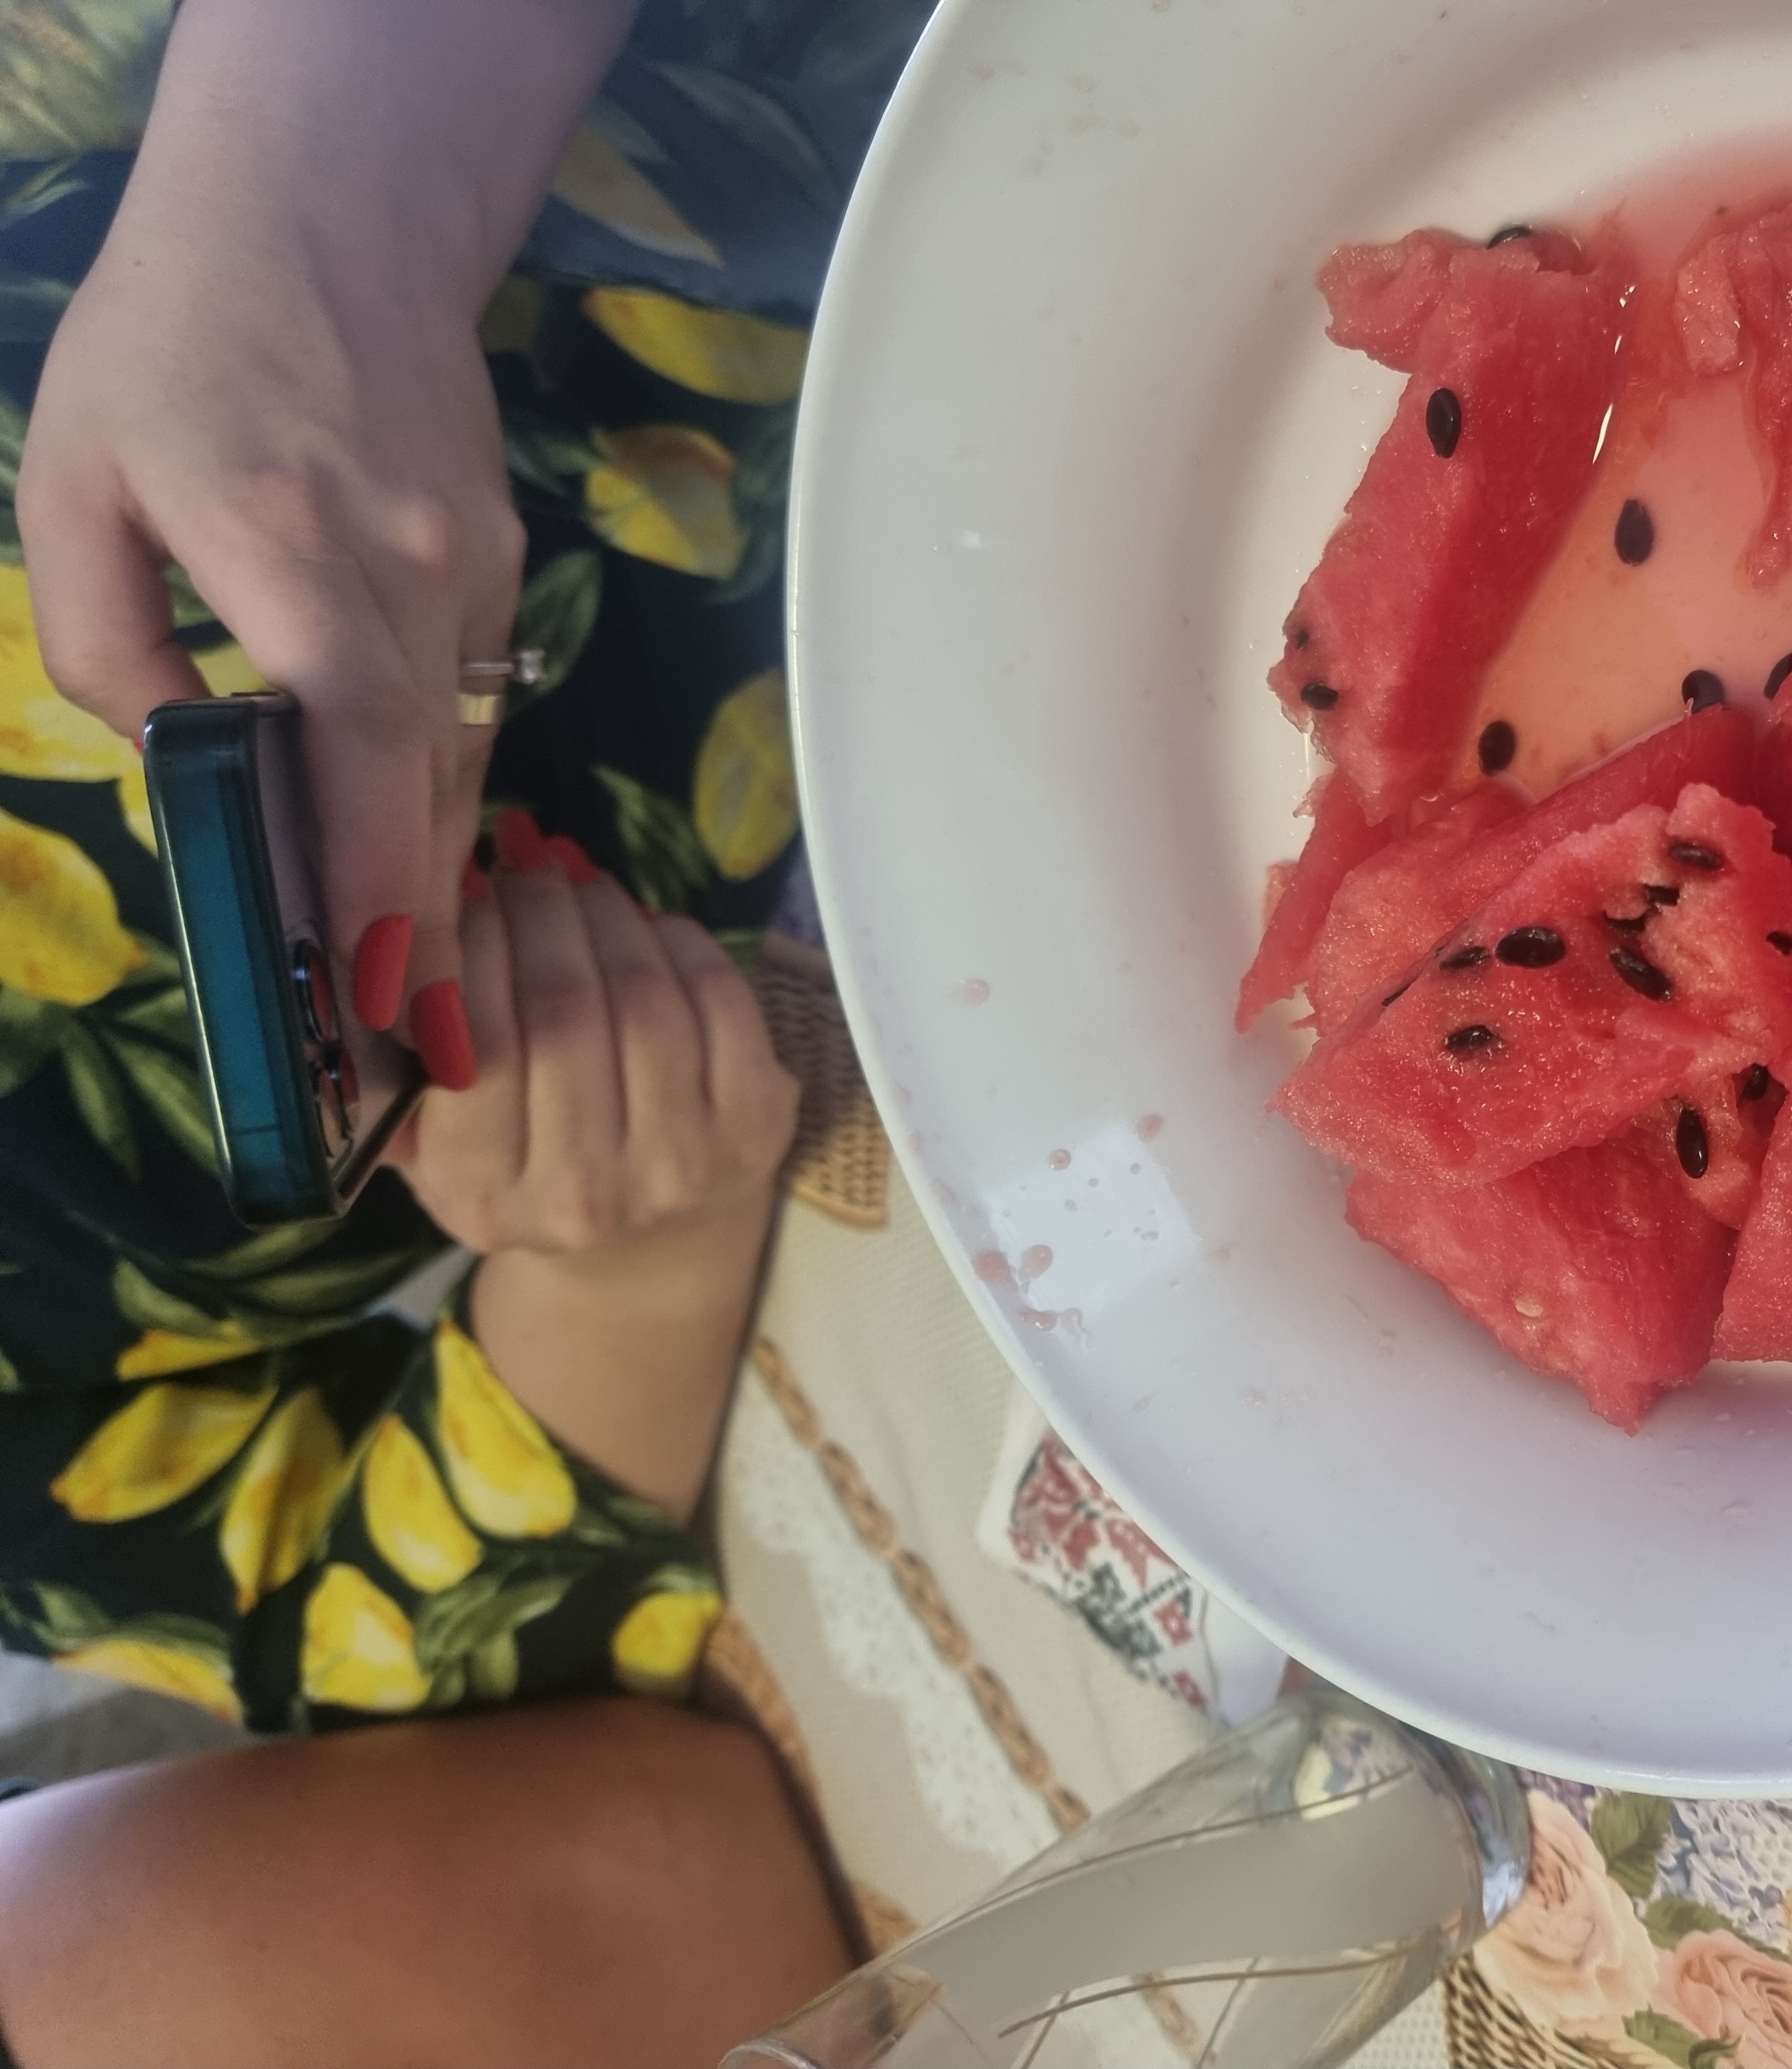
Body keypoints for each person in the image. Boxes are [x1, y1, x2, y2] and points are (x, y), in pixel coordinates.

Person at [0, 0, 934, 2054]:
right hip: (942, 855)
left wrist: (321, 200)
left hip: (858, 134)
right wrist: (619, 1256)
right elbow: (359, 1626)